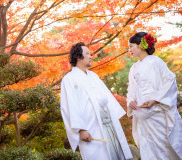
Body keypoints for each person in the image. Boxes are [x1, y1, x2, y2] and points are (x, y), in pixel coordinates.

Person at [61, 42, 133, 160]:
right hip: (90, 127)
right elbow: (70, 106)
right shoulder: (69, 79)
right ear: (78, 56)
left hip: (108, 123)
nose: (91, 56)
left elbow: (107, 98)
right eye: (87, 53)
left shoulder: (93, 76)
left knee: (115, 153)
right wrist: (81, 129)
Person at [127, 32, 182, 160]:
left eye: (131, 46)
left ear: (141, 45)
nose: (129, 50)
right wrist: (130, 100)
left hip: (157, 115)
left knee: (163, 148)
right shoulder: (133, 68)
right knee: (148, 149)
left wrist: (156, 100)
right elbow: (131, 89)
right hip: (142, 117)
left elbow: (170, 81)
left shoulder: (156, 62)